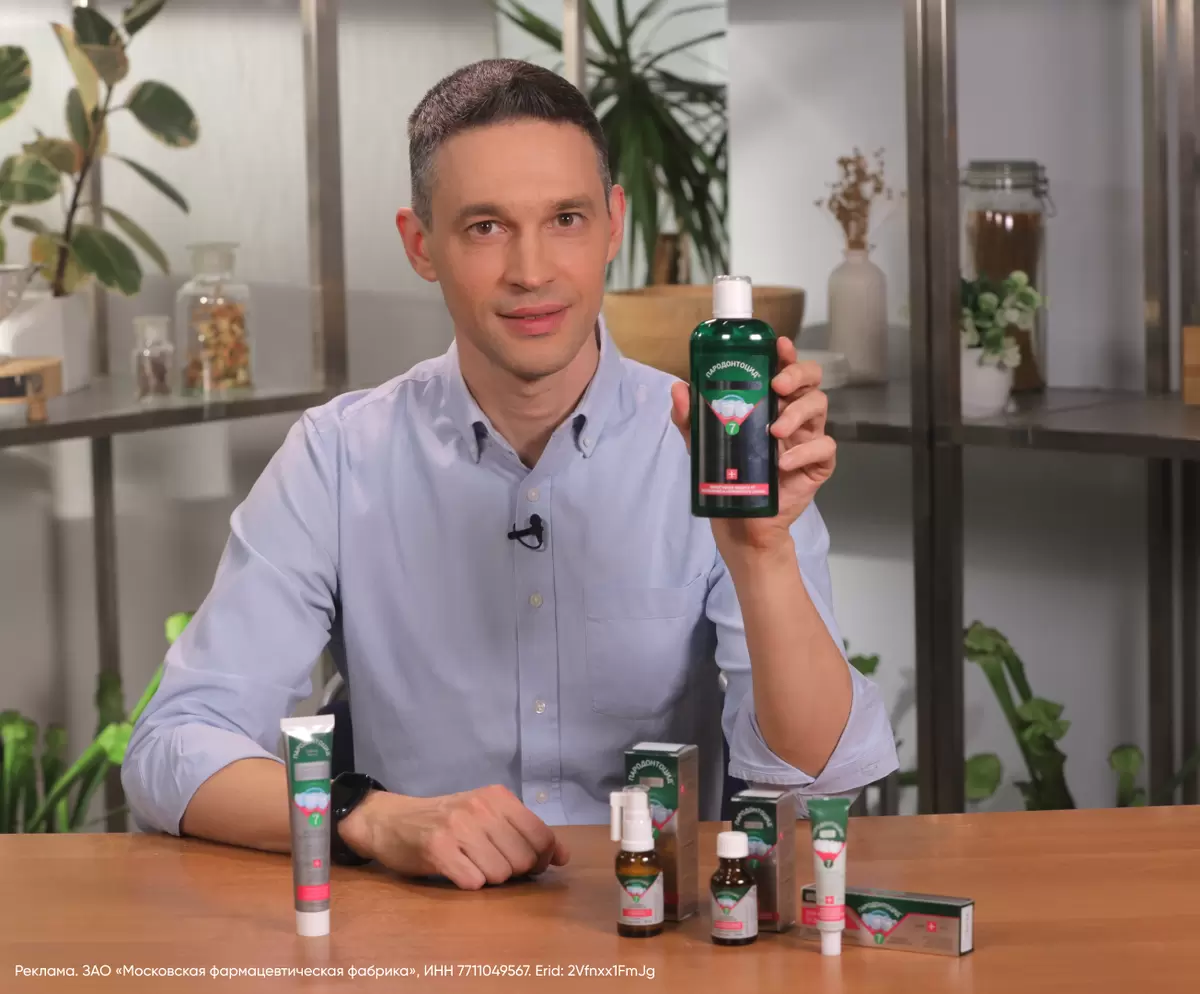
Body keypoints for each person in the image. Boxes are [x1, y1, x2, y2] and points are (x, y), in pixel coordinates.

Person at [124, 59, 897, 891]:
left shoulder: (715, 443)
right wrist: (371, 815)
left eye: (565, 219)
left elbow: (820, 780)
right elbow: (173, 745)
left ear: (612, 225)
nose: (531, 271)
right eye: (486, 227)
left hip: (650, 920)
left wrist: (763, 556)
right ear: (420, 244)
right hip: (418, 927)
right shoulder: (337, 457)